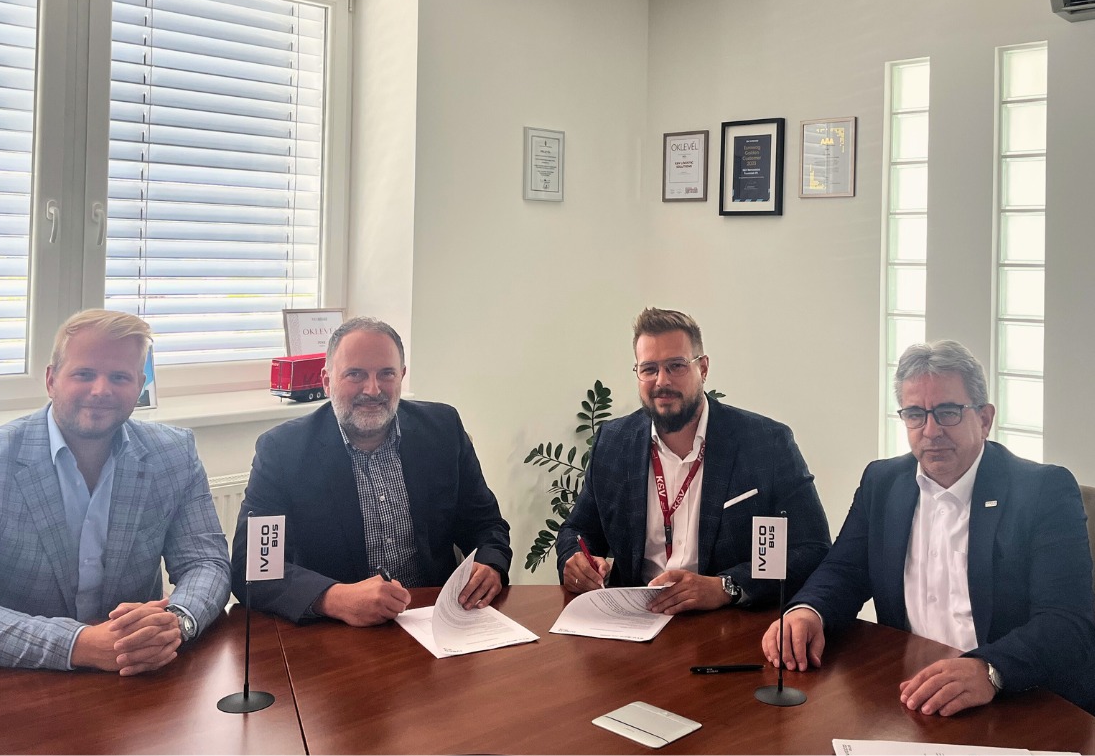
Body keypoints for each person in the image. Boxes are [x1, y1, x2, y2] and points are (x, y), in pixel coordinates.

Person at [763, 340, 1095, 716]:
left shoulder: (1043, 491)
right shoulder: (883, 481)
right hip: (912, 693)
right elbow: (844, 570)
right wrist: (808, 611)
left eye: (948, 412)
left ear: (984, 419)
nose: (931, 430)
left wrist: (989, 669)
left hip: (1022, 698)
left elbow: (1067, 623)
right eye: (915, 414)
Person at [0, 310, 231, 674]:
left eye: (119, 377)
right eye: (84, 374)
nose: (101, 390)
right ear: (51, 380)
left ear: (140, 385)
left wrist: (177, 621)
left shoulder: (174, 454)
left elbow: (206, 563)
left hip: (139, 676)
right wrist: (82, 644)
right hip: (15, 681)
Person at [230, 316, 511, 626]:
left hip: (434, 621)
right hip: (333, 630)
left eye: (386, 374)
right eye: (356, 374)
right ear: (327, 380)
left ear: (402, 376)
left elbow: (486, 524)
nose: (373, 389)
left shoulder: (442, 430)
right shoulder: (283, 451)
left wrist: (490, 563)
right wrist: (333, 597)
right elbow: (252, 568)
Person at [556, 307, 831, 613]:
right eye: (649, 369)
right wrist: (574, 559)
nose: (662, 381)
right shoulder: (613, 443)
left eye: (676, 366)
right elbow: (577, 530)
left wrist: (725, 587)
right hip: (636, 620)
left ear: (703, 368)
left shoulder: (767, 444)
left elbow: (812, 549)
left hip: (727, 622)